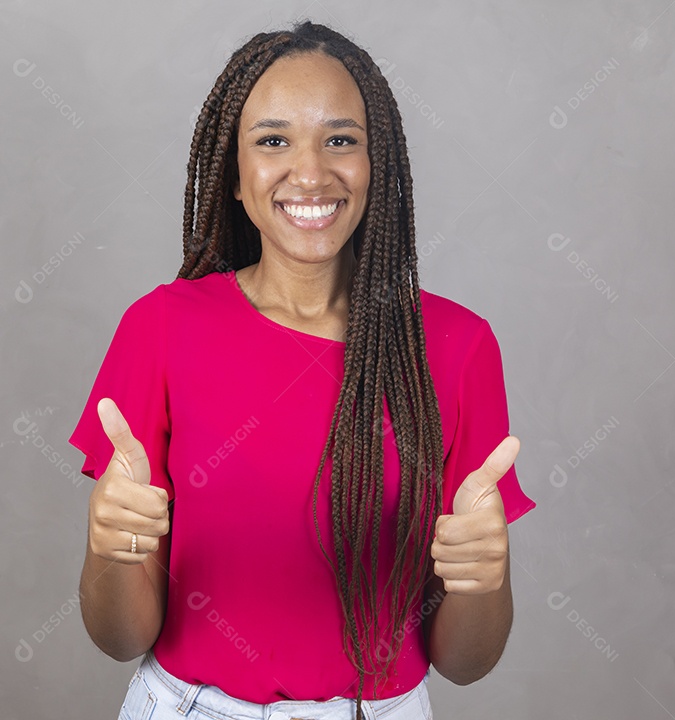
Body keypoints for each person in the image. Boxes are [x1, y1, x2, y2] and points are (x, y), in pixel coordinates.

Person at [68, 19, 537, 720]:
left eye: (341, 140)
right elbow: (119, 636)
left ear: (378, 166)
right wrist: (110, 547)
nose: (310, 172)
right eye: (273, 140)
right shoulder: (161, 327)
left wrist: (481, 579)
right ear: (233, 173)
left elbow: (467, 664)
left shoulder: (457, 346)